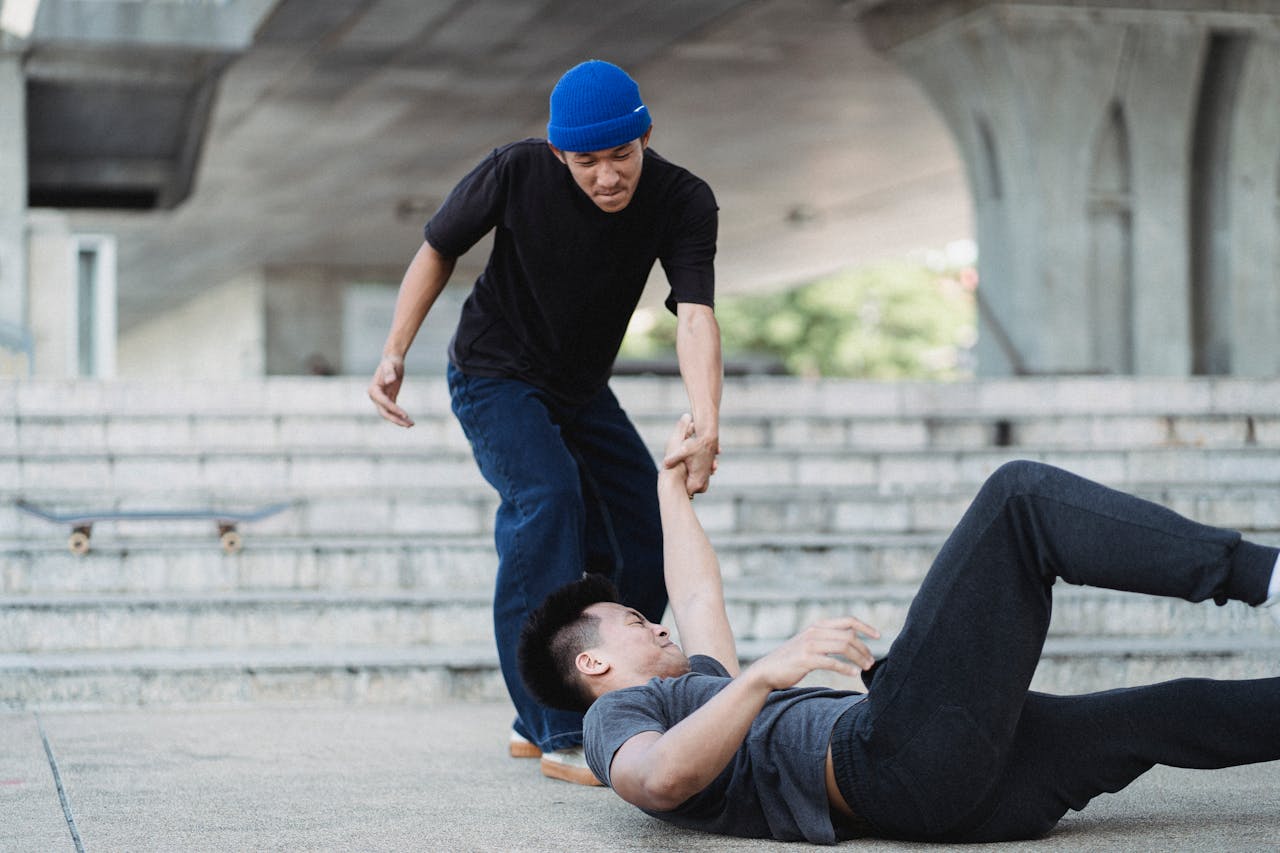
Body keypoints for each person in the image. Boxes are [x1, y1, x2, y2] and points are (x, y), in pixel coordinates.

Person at [517, 414, 1280, 843]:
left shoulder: (696, 688)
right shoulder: (616, 717)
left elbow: (697, 588)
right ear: (593, 663)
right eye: (631, 621)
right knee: (1018, 501)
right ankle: (1261, 573)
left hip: (970, 795)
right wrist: (762, 673)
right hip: (891, 759)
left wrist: (666, 485)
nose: (656, 622)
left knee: (1167, 710)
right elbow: (658, 778)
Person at [368, 60, 723, 786]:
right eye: (586, 163)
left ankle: (597, 687)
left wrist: (706, 421)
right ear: (560, 153)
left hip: (579, 388)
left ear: (646, 136)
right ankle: (554, 723)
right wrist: (394, 349)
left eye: (621, 156)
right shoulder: (514, 171)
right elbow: (438, 246)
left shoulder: (684, 200)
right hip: (492, 374)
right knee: (547, 498)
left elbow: (695, 314)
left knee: (648, 521)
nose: (606, 178)